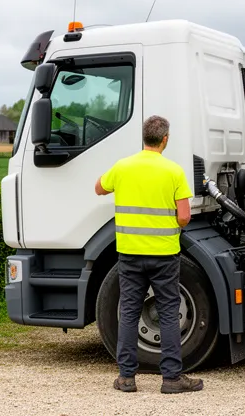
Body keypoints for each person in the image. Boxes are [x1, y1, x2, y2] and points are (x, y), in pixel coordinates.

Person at [94, 115, 203, 394]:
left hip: (130, 254)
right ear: (165, 139)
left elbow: (98, 188)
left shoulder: (122, 167)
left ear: (144, 137)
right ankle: (171, 379)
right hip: (164, 255)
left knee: (129, 313)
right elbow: (184, 217)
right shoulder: (174, 171)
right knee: (168, 314)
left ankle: (126, 378)